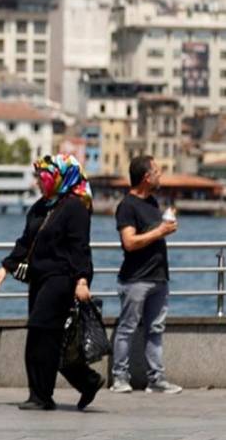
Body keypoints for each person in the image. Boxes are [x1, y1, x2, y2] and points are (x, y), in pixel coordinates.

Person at [0, 154, 104, 411]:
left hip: (61, 279)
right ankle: (84, 382)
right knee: (46, 336)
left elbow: (80, 248)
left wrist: (82, 280)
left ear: (60, 177)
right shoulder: (40, 206)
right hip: (39, 278)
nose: (38, 183)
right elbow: (25, 242)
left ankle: (42, 395)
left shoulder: (75, 208)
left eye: (43, 178)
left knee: (41, 331)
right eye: (38, 178)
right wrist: (5, 267)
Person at [110, 155, 182, 394]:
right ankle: (120, 378)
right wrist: (161, 231)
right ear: (146, 177)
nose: (161, 176)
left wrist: (165, 225)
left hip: (159, 277)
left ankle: (156, 379)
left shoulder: (152, 202)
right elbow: (129, 242)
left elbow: (152, 233)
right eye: (157, 172)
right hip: (135, 279)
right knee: (127, 328)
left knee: (156, 330)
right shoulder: (127, 206)